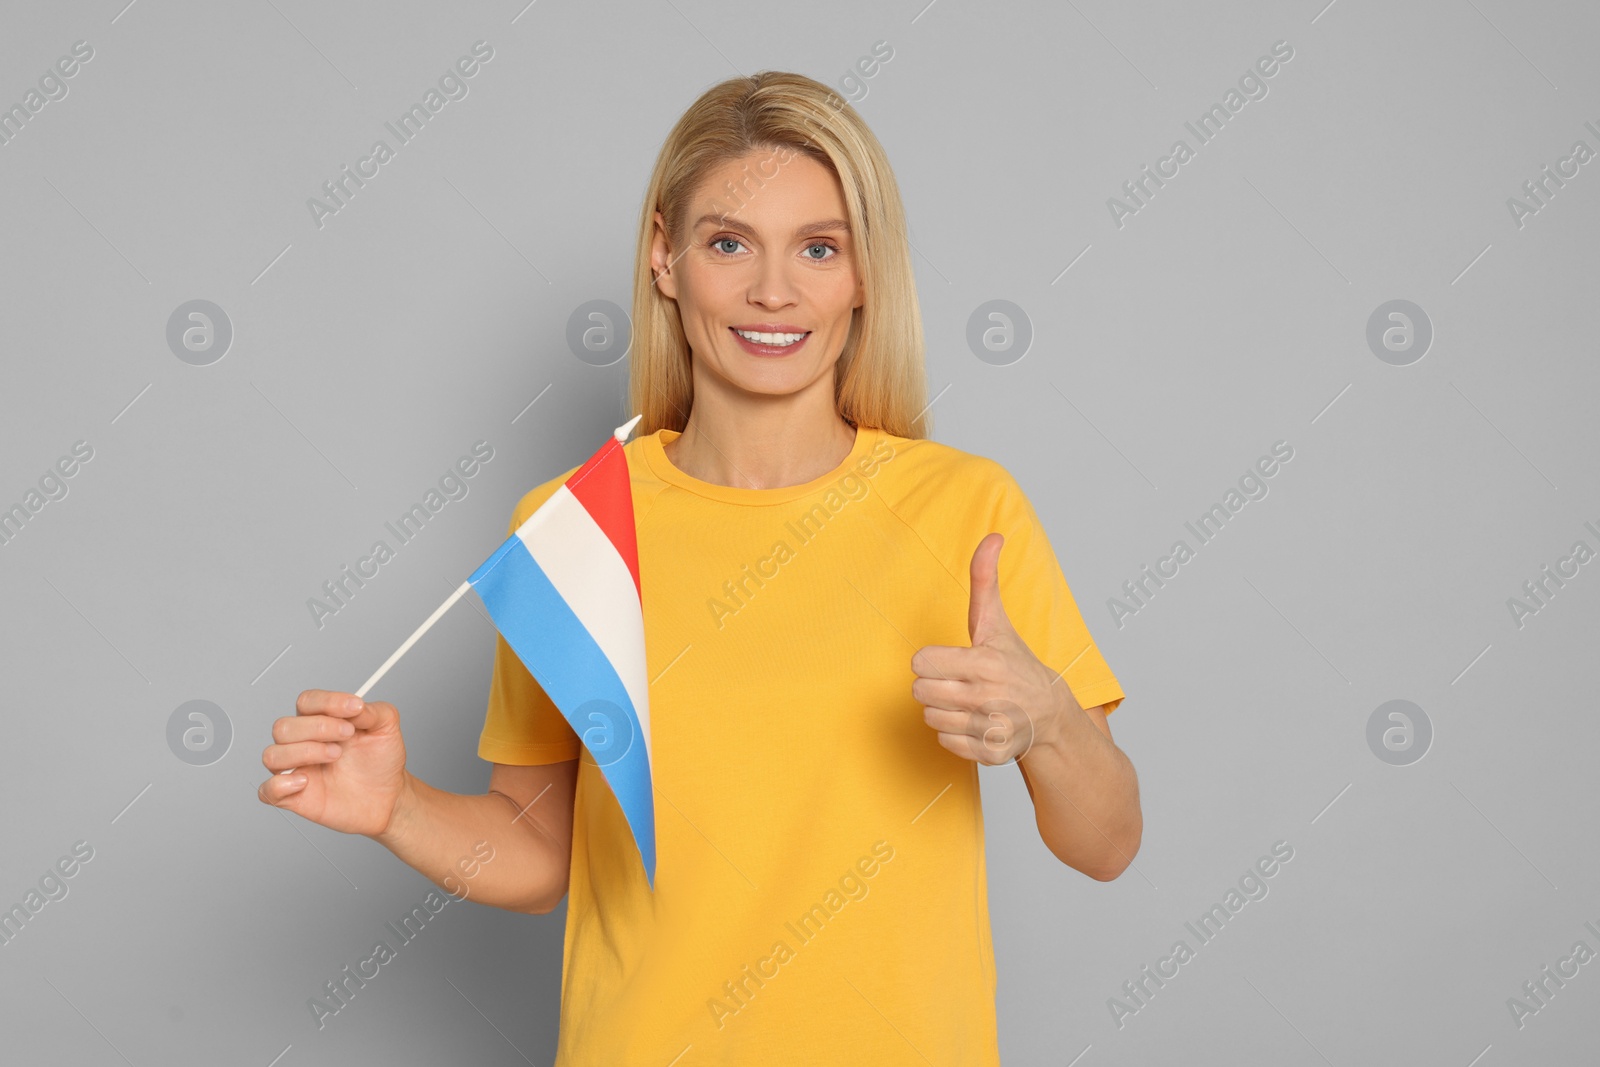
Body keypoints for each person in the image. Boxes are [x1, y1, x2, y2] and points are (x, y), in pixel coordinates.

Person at [258, 70, 1141, 1064]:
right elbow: (537, 846)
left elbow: (1104, 843)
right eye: (729, 243)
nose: (775, 291)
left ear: (863, 276)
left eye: (818, 248)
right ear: (664, 259)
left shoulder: (966, 508)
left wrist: (1050, 719)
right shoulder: (573, 526)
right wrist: (396, 807)